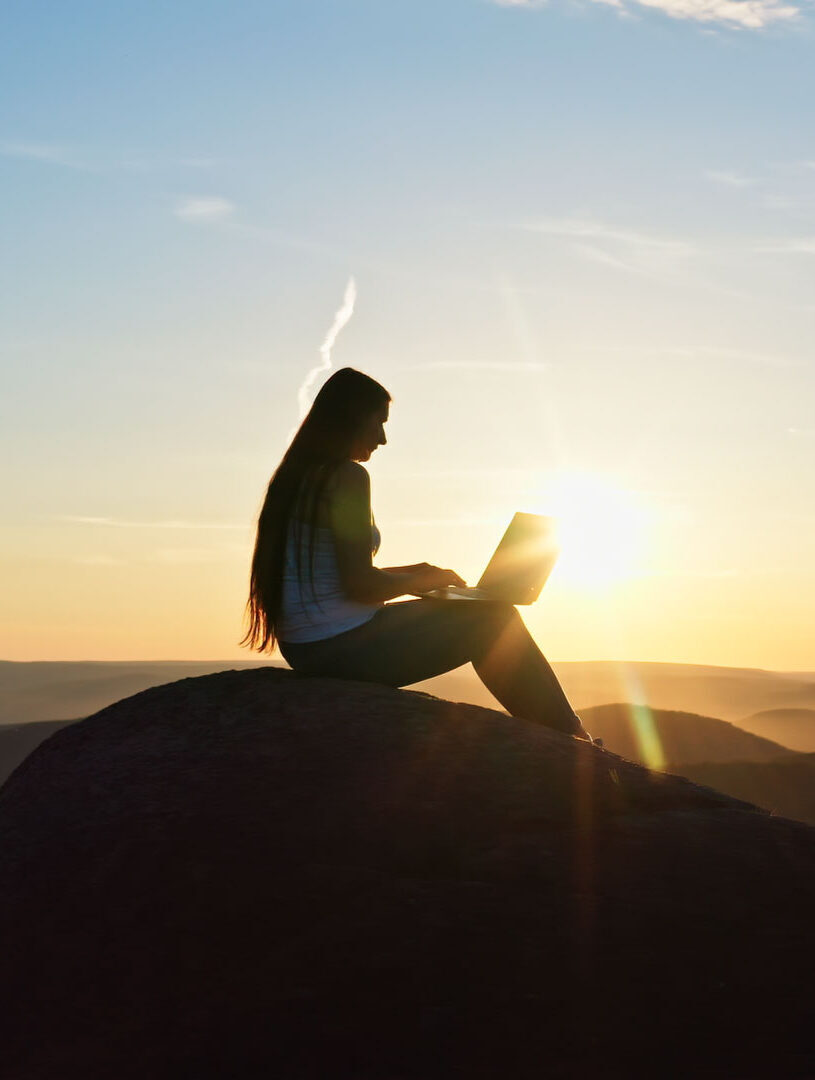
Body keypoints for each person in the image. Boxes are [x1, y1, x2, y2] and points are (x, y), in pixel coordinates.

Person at [241, 367, 592, 741]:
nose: (383, 438)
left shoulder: (301, 475)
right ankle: (573, 745)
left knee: (482, 613)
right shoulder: (347, 477)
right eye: (378, 423)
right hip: (338, 648)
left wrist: (419, 571)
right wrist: (423, 581)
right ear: (353, 418)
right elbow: (360, 584)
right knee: (493, 621)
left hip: (309, 646)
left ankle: (565, 742)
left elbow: (337, 574)